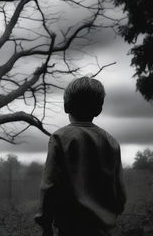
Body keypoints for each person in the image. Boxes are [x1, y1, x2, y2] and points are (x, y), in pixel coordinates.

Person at [35, 77, 126, 236]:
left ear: (65, 106)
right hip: (103, 230)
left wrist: (45, 223)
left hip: (70, 229)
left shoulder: (60, 138)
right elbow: (119, 191)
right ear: (99, 109)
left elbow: (49, 186)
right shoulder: (112, 142)